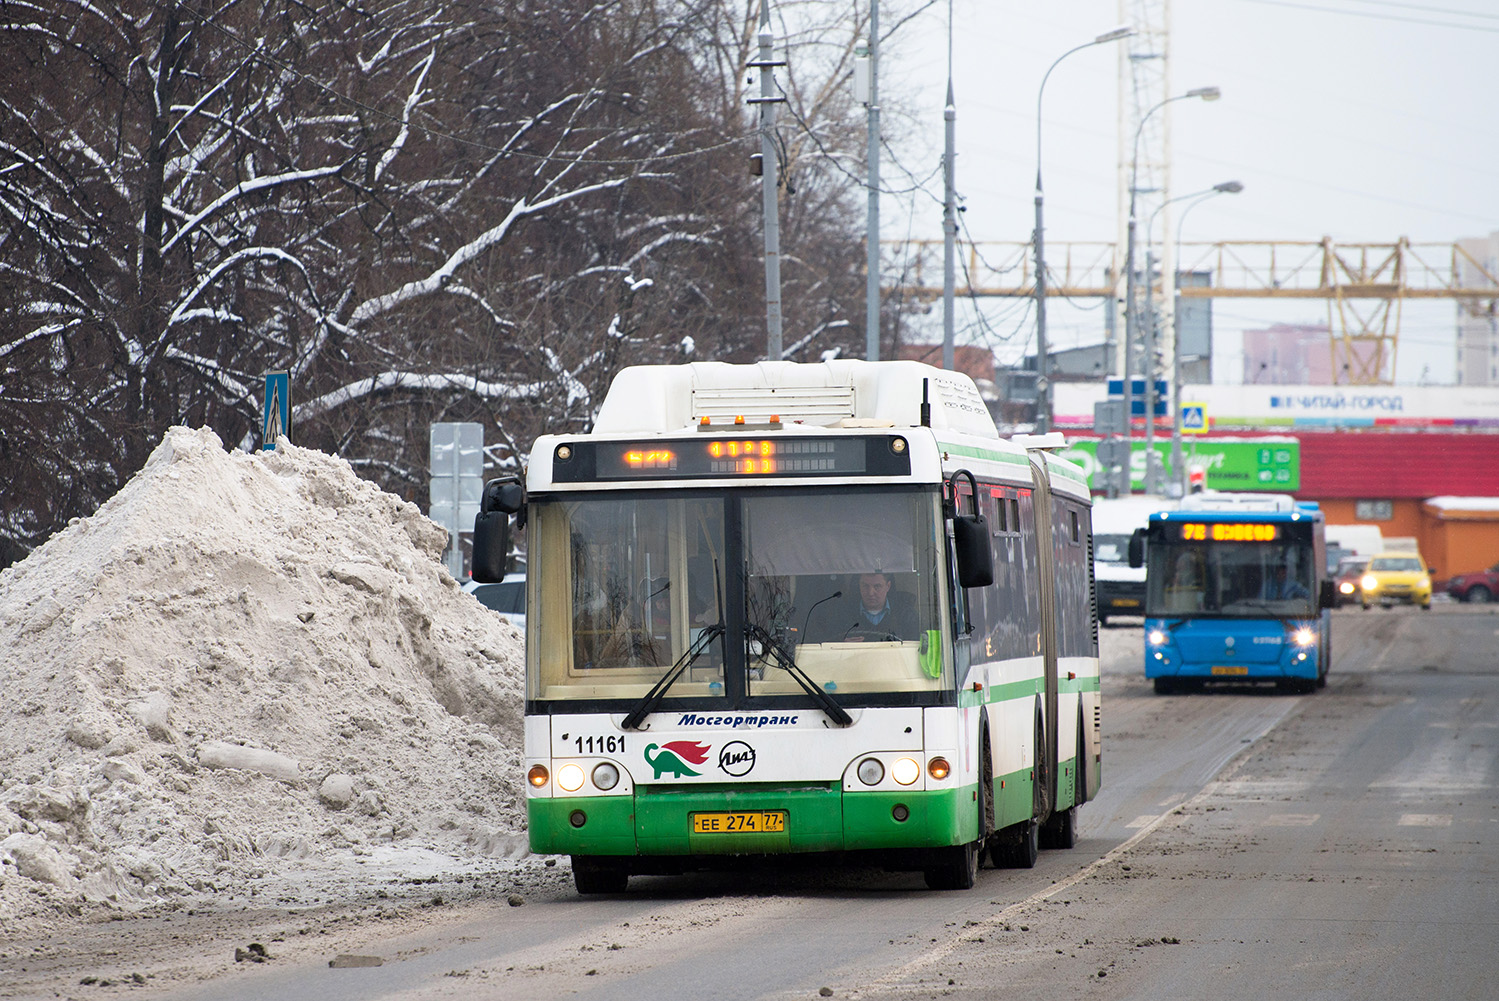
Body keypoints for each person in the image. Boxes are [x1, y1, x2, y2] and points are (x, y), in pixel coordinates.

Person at [843, 572, 919, 640]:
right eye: (865, 586)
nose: (871, 593)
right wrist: (843, 645)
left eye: (877, 586)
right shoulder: (843, 614)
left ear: (888, 586)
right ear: (859, 586)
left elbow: (914, 650)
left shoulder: (906, 615)